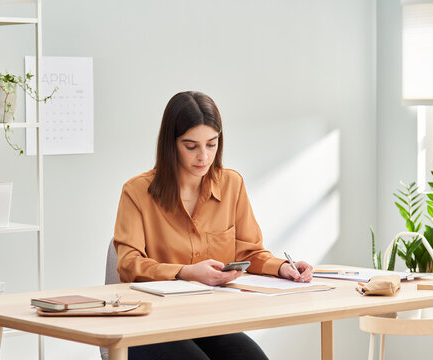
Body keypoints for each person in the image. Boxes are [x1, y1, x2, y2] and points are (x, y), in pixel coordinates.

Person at [114, 91, 313, 360]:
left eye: (211, 144)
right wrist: (186, 272)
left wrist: (281, 267)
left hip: (208, 320)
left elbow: (249, 252)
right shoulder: (137, 192)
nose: (203, 157)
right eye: (191, 146)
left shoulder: (232, 185)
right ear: (170, 144)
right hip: (149, 322)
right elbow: (128, 265)